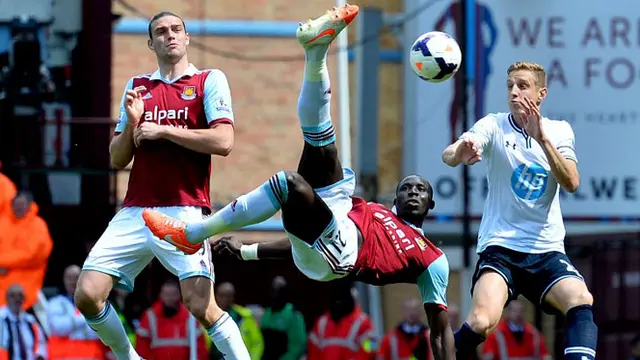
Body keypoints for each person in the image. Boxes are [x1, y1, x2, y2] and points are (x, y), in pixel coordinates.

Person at [142, 5, 454, 359]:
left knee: (289, 183)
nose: (414, 191)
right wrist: (248, 251)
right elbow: (299, 239)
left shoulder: (433, 258)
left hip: (340, 257)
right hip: (338, 218)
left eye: (421, 189)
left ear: (431, 204)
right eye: (407, 187)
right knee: (321, 140)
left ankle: (193, 233)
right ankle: (315, 50)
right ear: (394, 198)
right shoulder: (376, 211)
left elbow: (440, 331)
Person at [73, 11, 250, 360]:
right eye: (160, 32)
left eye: (176, 29)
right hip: (136, 209)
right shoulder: (139, 86)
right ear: (151, 43)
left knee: (201, 305)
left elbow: (224, 141)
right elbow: (117, 158)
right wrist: (135, 124)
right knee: (87, 294)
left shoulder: (207, 80)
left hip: (184, 210)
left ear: (186, 39)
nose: (170, 35)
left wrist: (164, 131)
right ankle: (129, 357)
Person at [440, 61, 597, 360]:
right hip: (501, 248)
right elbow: (450, 153)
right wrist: (458, 153)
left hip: (546, 250)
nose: (514, 91)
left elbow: (572, 182)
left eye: (522, 85)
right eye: (510, 85)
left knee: (580, 299)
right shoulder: (493, 125)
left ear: (541, 94)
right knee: (480, 322)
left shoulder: (559, 131)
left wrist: (543, 141)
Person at [136, 280, 208, 360]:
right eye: (167, 294)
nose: (170, 298)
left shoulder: (190, 317)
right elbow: (141, 347)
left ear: (179, 295)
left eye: (173, 294)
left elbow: (200, 348)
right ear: (161, 295)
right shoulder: (150, 316)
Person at [47, 265, 104, 360]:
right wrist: (86, 319)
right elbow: (58, 327)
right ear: (64, 280)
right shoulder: (55, 303)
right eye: (69, 278)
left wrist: (70, 324)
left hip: (91, 356)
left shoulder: (95, 303)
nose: (73, 281)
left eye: (76, 277)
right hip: (63, 356)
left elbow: (98, 332)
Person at [307, 281, 376, 360]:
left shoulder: (363, 322)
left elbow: (372, 345)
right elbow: (313, 352)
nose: (338, 302)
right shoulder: (321, 324)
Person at [480, 299, 550, 360]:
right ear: (508, 312)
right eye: (515, 311)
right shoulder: (496, 335)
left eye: (520, 311)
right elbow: (487, 357)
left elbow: (545, 356)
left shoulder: (534, 334)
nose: (518, 314)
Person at [211, 282, 263, 360]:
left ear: (233, 297)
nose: (225, 299)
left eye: (228, 296)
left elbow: (257, 343)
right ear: (216, 296)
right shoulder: (207, 316)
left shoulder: (244, 316)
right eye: (222, 295)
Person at [259, 276, 306, 360]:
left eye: (277, 292)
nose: (274, 295)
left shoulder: (293, 314)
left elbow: (298, 344)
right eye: (272, 291)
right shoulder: (267, 312)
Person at [0, 284, 48, 360]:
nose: (17, 299)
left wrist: (40, 355)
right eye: (12, 296)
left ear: (24, 299)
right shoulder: (1, 318)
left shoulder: (30, 321)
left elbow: (41, 343)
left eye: (20, 296)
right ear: (6, 298)